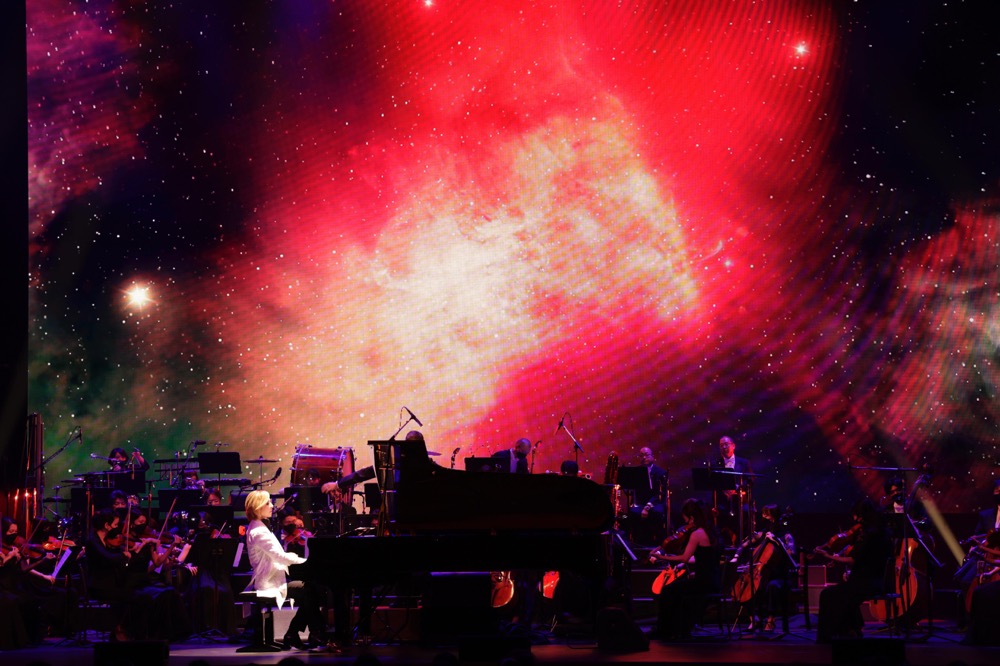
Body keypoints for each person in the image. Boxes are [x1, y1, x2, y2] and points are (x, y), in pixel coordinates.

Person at [243, 490, 325, 650]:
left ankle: (298, 633)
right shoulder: (259, 531)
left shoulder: (258, 527)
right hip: (268, 582)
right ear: (258, 507)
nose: (271, 506)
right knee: (310, 590)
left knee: (311, 590)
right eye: (267, 503)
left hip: (272, 577)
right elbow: (280, 557)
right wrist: (305, 561)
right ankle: (307, 632)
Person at [813, 498, 894, 642]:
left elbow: (852, 560)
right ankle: (851, 630)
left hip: (867, 583)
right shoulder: (883, 532)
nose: (856, 519)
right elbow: (870, 560)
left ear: (864, 515)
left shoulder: (869, 535)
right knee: (843, 595)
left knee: (827, 595)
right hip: (878, 581)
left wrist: (828, 556)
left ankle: (828, 637)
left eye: (857, 515)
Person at [649, 498, 722, 640]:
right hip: (714, 580)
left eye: (686, 519)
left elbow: (684, 558)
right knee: (676, 589)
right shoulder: (713, 531)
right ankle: (676, 628)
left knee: (667, 590)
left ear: (692, 517)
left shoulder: (697, 533)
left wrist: (661, 557)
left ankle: (664, 630)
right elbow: (707, 558)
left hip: (704, 583)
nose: (686, 523)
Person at [713, 436, 754, 545]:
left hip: (739, 499)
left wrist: (737, 488)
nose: (724, 447)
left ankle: (742, 541)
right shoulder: (716, 463)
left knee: (745, 512)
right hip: (722, 500)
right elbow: (713, 482)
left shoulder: (744, 462)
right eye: (721, 445)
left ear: (733, 446)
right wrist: (724, 490)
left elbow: (751, 480)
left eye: (726, 444)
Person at [626, 447, 668, 546]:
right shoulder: (636, 471)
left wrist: (647, 507)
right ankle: (636, 543)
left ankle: (657, 543)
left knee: (657, 512)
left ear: (652, 456)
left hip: (655, 503)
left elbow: (660, 493)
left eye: (647, 455)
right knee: (632, 512)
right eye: (641, 455)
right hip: (640, 503)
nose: (644, 457)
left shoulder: (660, 472)